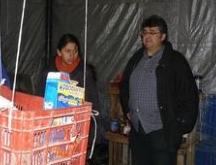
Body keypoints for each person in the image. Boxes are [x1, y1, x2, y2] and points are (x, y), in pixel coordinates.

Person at [119, 15, 199, 165]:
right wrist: (126, 109)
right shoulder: (136, 59)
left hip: (162, 134)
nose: (147, 36)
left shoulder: (175, 61)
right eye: (144, 32)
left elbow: (189, 98)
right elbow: (124, 86)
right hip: (138, 132)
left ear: (163, 36)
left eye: (152, 32)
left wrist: (177, 128)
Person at [36, 33, 101, 142]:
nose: (72, 55)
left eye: (75, 50)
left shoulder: (84, 72)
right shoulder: (49, 71)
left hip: (76, 128)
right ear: (59, 52)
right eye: (67, 51)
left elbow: (94, 102)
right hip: (52, 126)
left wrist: (89, 131)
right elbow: (39, 97)